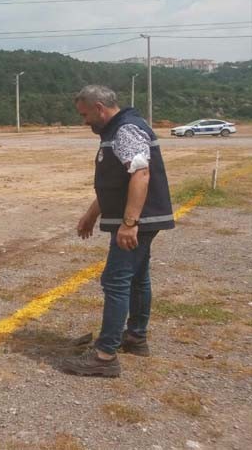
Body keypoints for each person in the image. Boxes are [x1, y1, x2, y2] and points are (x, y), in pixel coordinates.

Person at [61, 85, 174, 377]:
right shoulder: (118, 130)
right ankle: (135, 337)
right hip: (140, 218)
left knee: (116, 280)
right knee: (137, 278)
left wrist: (129, 223)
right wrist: (91, 214)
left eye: (85, 114)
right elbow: (117, 182)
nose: (84, 121)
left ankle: (104, 355)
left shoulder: (125, 130)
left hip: (139, 220)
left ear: (100, 107)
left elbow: (140, 173)